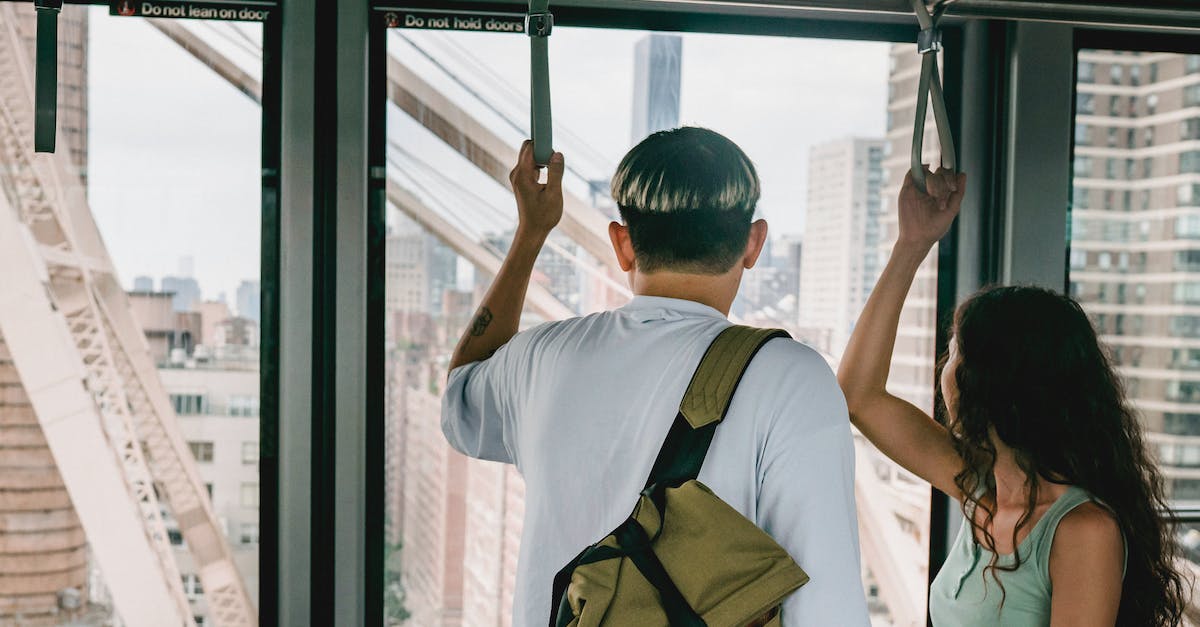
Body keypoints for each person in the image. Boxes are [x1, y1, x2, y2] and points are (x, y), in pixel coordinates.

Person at [441, 128, 870, 626]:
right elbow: (828, 610)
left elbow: (459, 401)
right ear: (754, 244)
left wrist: (531, 234)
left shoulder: (539, 356)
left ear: (622, 245)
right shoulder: (793, 380)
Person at [838, 167, 1188, 625]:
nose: (944, 372)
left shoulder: (1082, 531)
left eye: (953, 352)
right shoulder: (981, 488)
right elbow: (857, 395)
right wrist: (912, 244)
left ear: (988, 381)